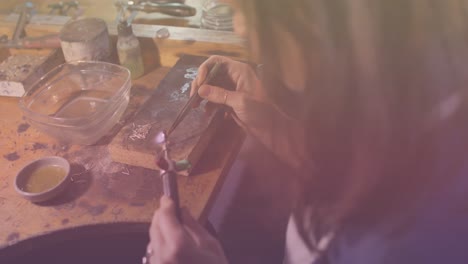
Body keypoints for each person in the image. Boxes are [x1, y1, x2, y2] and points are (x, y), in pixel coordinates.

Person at [146, 0, 468, 263]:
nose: (242, 29)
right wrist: (271, 124)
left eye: (247, 11)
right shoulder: (410, 76)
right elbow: (356, 168)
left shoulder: (401, 244)